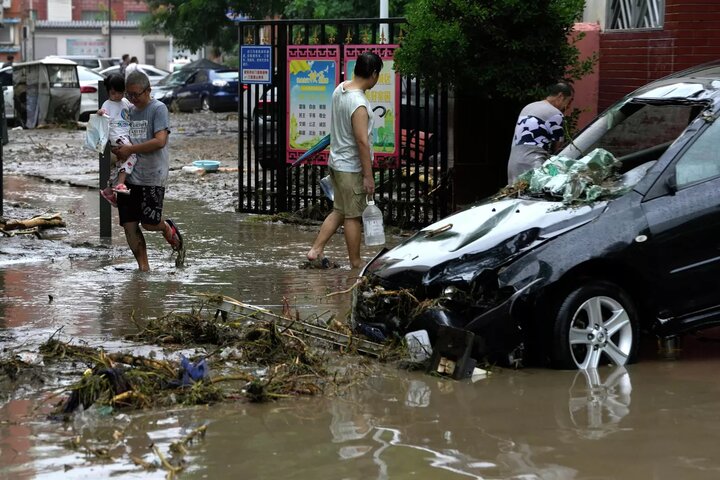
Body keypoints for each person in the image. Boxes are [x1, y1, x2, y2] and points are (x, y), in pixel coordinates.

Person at [306, 51, 383, 269]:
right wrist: (368, 176)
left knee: (339, 210)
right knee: (353, 216)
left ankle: (316, 250)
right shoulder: (358, 103)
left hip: (336, 162)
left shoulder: (340, 89)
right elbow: (361, 141)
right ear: (374, 74)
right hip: (350, 167)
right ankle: (356, 263)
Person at [113, 71, 185, 271]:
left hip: (152, 175)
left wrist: (131, 150)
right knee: (129, 225)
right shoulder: (127, 110)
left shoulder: (158, 108)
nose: (133, 99)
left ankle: (166, 227)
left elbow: (160, 141)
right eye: (130, 95)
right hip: (128, 177)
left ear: (148, 90)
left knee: (149, 223)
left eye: (137, 94)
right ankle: (143, 269)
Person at [507, 81, 574, 184]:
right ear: (560, 96)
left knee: (514, 196)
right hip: (533, 165)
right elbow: (557, 150)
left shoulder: (528, 107)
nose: (568, 106)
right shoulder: (555, 114)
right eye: (569, 102)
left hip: (513, 165)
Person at [97, 74, 137, 206]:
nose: (117, 96)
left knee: (121, 163)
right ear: (108, 91)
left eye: (120, 93)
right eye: (113, 93)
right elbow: (101, 114)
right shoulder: (107, 104)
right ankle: (120, 184)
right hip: (116, 136)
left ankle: (109, 190)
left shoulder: (125, 102)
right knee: (132, 155)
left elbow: (134, 108)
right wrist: (100, 113)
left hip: (126, 135)